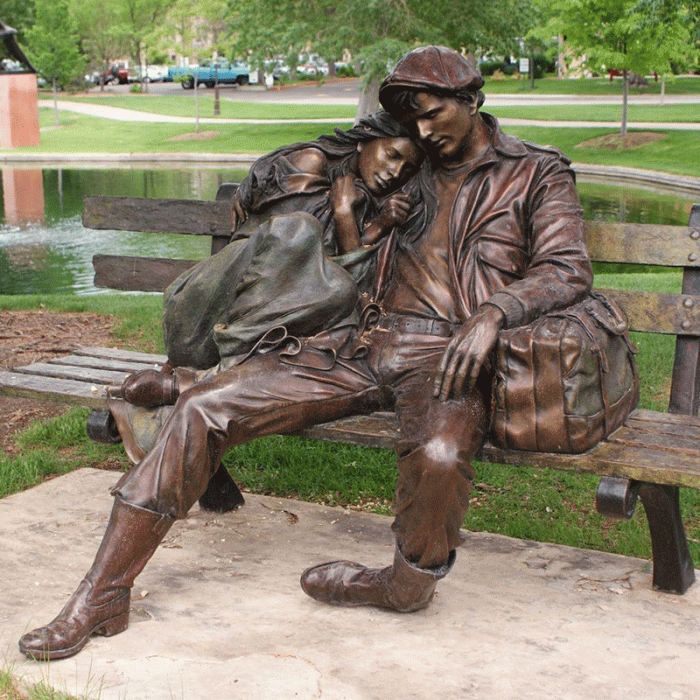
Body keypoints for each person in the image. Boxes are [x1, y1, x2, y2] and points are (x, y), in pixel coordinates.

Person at [19, 45, 592, 661]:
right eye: (413, 121)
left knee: (441, 452)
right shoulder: (410, 165)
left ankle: (405, 586)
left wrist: (493, 314)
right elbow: (308, 174)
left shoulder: (537, 174)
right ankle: (102, 595)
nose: (423, 133)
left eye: (433, 114)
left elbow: (567, 268)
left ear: (473, 100)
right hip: (356, 342)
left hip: (446, 357)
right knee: (204, 409)